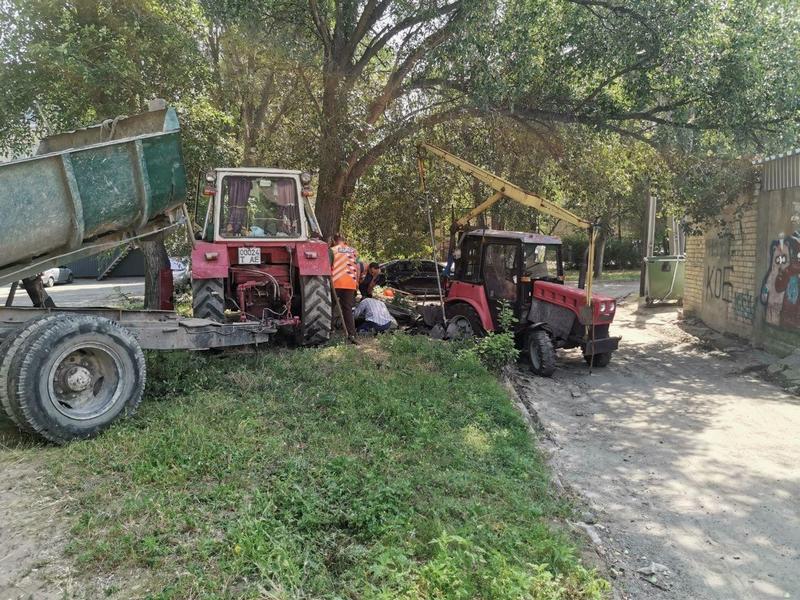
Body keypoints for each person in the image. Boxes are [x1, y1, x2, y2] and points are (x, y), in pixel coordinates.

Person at [330, 234, 360, 341]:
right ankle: (352, 334)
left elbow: (328, 266)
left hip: (336, 282)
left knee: (331, 306)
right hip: (350, 282)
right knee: (347, 308)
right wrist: (357, 282)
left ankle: (330, 330)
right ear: (344, 241)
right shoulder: (353, 251)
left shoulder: (332, 250)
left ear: (334, 241)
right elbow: (358, 267)